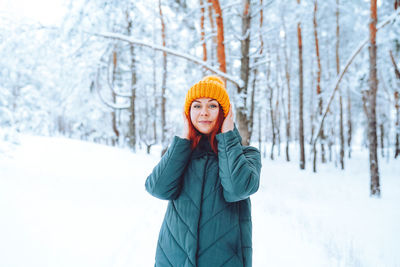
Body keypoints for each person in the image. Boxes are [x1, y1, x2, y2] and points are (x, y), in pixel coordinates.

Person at [145, 75, 261, 267]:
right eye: (197, 106)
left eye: (212, 106)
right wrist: (183, 138)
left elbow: (236, 189)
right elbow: (157, 188)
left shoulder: (246, 155)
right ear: (188, 113)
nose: (204, 112)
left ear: (225, 113)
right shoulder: (180, 154)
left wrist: (227, 137)